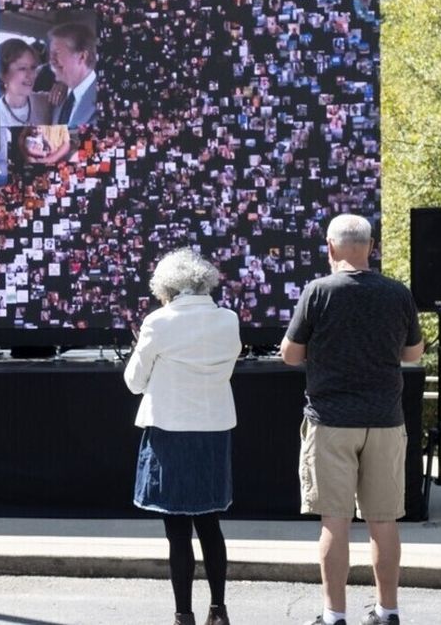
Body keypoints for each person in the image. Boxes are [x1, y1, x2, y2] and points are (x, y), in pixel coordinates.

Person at [280, 215, 424, 625]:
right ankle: (388, 611)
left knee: (334, 522)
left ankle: (333, 615)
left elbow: (291, 355)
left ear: (330, 247)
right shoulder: (397, 293)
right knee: (384, 521)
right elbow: (413, 354)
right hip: (384, 419)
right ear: (371, 246)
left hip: (330, 421)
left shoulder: (318, 292)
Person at [125, 248, 240, 625]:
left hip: (171, 433)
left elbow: (134, 383)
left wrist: (141, 352)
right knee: (210, 524)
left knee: (177, 532)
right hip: (212, 432)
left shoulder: (159, 322)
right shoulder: (229, 320)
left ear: (167, 287)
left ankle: (183, 616)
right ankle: (219, 610)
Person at [47, 21, 98, 128]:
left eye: (57, 53)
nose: (51, 60)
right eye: (50, 54)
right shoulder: (58, 96)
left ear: (82, 57)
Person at [0, 38, 50, 128]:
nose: (31, 75)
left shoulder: (46, 101)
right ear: (4, 75)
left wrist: (63, 86)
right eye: (22, 68)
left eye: (33, 68)